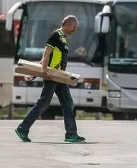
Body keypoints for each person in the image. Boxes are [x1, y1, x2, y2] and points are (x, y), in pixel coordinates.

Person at [15, 15, 86, 143]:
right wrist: (42, 72)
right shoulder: (56, 35)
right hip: (51, 76)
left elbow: (49, 55)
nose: (75, 30)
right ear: (68, 24)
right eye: (74, 27)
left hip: (59, 77)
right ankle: (22, 128)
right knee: (43, 104)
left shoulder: (63, 39)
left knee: (68, 104)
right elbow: (46, 54)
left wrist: (38, 72)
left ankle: (71, 134)